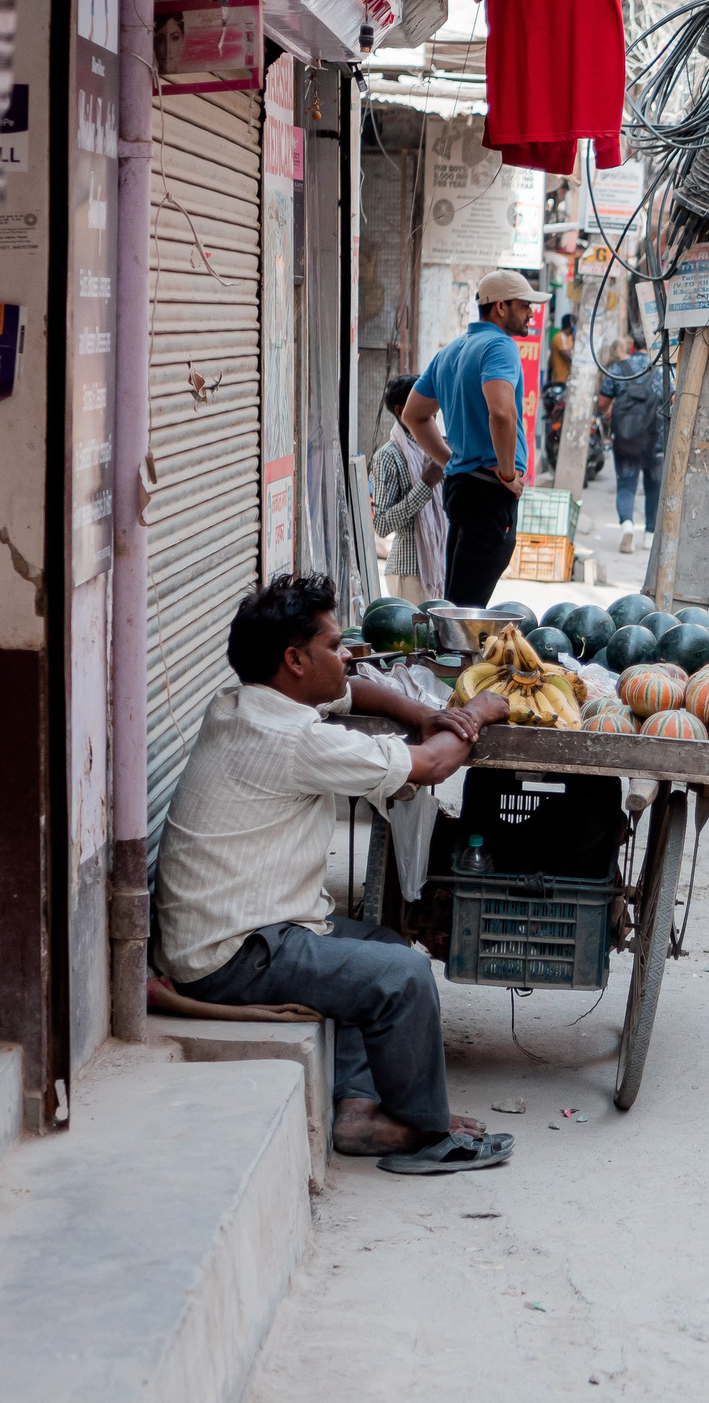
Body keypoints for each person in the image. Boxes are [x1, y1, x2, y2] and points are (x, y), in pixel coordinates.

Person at [156, 574, 514, 1174]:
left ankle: (358, 1109)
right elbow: (428, 767)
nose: (347, 653)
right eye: (332, 644)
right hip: (234, 955)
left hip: (235, 934)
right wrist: (474, 712)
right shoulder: (295, 739)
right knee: (400, 975)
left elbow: (354, 695)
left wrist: (424, 712)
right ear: (294, 660)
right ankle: (423, 1129)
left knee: (380, 945)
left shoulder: (244, 702)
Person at [401, 269, 536, 607]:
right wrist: (507, 473)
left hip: (463, 488)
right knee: (464, 608)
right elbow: (502, 413)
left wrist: (451, 461)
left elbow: (413, 415)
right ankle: (453, 659)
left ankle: (452, 654)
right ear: (501, 307)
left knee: (460, 598)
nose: (530, 313)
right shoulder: (499, 346)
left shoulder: (452, 351)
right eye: (524, 306)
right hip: (489, 492)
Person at [370, 375, 447, 604]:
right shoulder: (388, 456)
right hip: (409, 573)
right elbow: (382, 524)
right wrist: (425, 485)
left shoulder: (433, 448)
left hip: (438, 567)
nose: (433, 411)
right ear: (402, 409)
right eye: (425, 402)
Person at [598, 338, 668, 555]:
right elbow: (673, 398)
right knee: (654, 487)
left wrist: (612, 412)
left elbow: (602, 404)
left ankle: (627, 526)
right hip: (655, 439)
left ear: (632, 347)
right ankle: (649, 536)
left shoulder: (619, 369)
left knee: (626, 485)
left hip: (626, 438)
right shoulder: (661, 371)